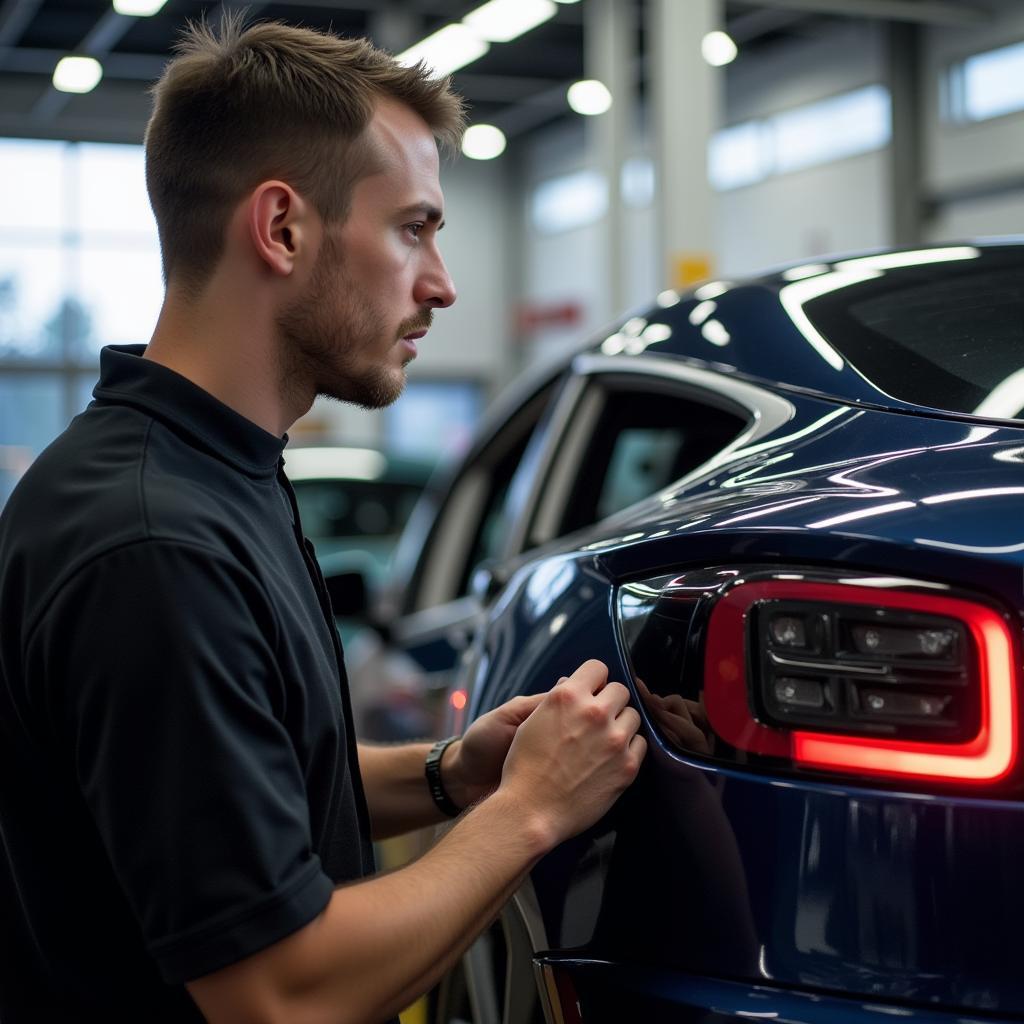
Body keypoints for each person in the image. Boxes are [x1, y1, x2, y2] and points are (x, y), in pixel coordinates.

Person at [0, 17, 647, 1024]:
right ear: (282, 228)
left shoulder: (213, 473)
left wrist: (448, 774)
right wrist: (528, 812)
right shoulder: (154, 544)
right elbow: (278, 993)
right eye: (413, 228)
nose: (441, 282)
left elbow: (236, 779)